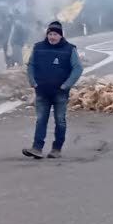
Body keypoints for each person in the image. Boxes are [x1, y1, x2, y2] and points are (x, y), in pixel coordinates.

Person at [22, 21, 83, 159]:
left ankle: (56, 149)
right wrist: (33, 82)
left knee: (60, 120)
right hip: (42, 91)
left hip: (60, 93)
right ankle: (37, 148)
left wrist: (66, 85)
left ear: (61, 36)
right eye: (50, 34)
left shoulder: (69, 49)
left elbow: (77, 68)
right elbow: (31, 65)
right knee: (41, 120)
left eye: (55, 34)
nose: (52, 37)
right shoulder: (38, 48)